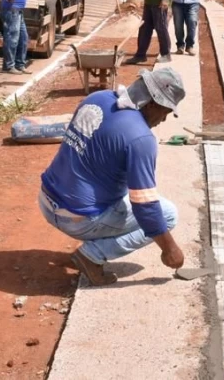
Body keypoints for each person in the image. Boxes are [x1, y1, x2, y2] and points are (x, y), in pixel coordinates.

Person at [38, 67, 187, 286]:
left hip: (46, 200)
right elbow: (145, 207)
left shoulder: (97, 98)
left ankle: (94, 233)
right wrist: (170, 248)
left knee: (125, 180)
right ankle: (92, 255)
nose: (164, 120)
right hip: (76, 219)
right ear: (154, 103)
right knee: (168, 215)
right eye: (165, 111)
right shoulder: (140, 139)